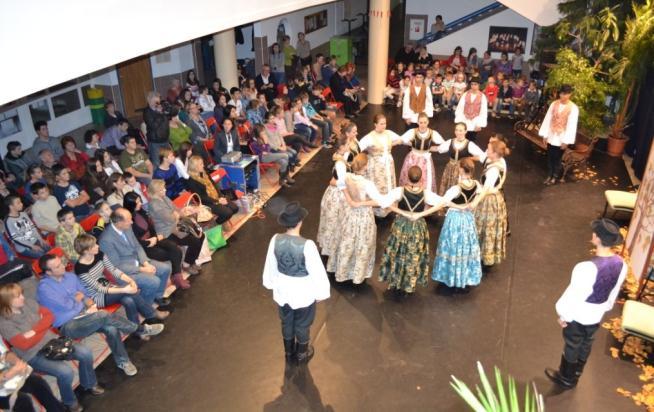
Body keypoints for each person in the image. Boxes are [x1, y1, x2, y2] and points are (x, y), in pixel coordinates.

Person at [545, 218, 627, 389]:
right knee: (587, 342)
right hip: (597, 314)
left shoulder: (586, 268)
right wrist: (605, 307)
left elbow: (573, 296)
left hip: (579, 315)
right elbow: (614, 291)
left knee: (573, 343)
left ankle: (566, 377)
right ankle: (576, 373)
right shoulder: (621, 264)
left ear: (597, 238)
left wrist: (563, 315)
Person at [36, 254, 140, 376]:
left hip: (86, 315)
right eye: (58, 266)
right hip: (68, 325)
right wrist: (77, 299)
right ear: (48, 272)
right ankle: (138, 328)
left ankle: (123, 362)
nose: (63, 266)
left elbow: (85, 295)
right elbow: (66, 305)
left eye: (61, 263)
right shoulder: (44, 288)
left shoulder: (70, 277)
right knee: (103, 315)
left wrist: (91, 305)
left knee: (110, 328)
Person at [0, 283, 98, 412]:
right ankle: (70, 402)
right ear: (8, 301)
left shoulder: (28, 303)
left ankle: (89, 384)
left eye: (22, 294)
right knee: (65, 372)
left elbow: (49, 316)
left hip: (53, 341)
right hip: (32, 354)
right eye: (18, 296)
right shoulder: (4, 322)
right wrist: (42, 326)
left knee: (85, 352)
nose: (23, 297)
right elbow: (23, 344)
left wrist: (34, 332)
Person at [262, 201, 330, 363]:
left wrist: (271, 283)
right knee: (302, 323)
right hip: (302, 292)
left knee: (286, 320)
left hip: (282, 289)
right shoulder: (307, 245)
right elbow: (317, 271)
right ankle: (301, 353)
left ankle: (288, 351)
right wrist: (321, 293)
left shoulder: (275, 239)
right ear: (300, 221)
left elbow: (271, 264)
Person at [74, 233, 170, 337]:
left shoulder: (99, 254)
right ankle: (150, 314)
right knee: (129, 294)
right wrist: (124, 289)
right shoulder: (80, 268)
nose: (98, 246)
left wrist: (130, 281)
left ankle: (138, 330)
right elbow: (100, 288)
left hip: (110, 288)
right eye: (94, 246)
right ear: (86, 251)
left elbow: (114, 270)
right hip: (98, 296)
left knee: (128, 300)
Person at [377, 167, 443, 294]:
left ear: (407, 177)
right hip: (417, 227)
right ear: (421, 179)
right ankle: (409, 282)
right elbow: (441, 203)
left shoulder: (399, 191)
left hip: (400, 226)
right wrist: (423, 213)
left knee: (398, 251)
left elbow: (383, 202)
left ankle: (396, 280)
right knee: (414, 254)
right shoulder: (426, 194)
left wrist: (400, 211)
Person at [326, 154, 385, 283]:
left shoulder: (347, 176)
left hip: (349, 213)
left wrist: (350, 201)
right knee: (362, 243)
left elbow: (340, 186)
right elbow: (379, 202)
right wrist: (361, 203)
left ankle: (342, 270)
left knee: (346, 241)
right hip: (363, 216)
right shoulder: (367, 183)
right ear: (365, 166)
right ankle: (357, 274)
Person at [98, 209, 173, 308]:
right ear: (119, 223)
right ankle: (146, 308)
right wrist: (142, 269)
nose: (132, 222)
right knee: (153, 281)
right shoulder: (106, 240)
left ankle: (157, 296)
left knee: (165, 269)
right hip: (123, 273)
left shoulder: (127, 227)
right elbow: (116, 266)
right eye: (129, 220)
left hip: (138, 262)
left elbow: (137, 246)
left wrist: (145, 263)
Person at [430, 158, 482, 293]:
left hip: (455, 219)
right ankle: (463, 276)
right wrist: (471, 204)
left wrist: (458, 206)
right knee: (465, 246)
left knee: (452, 245)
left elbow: (444, 202)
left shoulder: (456, 188)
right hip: (467, 219)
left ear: (461, 170)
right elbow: (480, 194)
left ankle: (450, 275)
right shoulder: (476, 184)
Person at [123, 191, 194, 289]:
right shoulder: (128, 220)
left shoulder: (141, 212)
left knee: (175, 249)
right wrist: (151, 241)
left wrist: (156, 238)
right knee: (168, 253)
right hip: (144, 246)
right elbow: (136, 241)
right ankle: (176, 277)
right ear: (131, 204)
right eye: (138, 202)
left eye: (140, 200)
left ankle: (177, 277)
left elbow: (151, 227)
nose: (140, 203)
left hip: (153, 239)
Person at [146, 180, 206, 274]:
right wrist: (176, 214)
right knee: (194, 240)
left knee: (201, 235)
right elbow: (170, 219)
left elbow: (176, 209)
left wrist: (177, 214)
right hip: (167, 232)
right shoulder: (154, 205)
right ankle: (186, 264)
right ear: (156, 192)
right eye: (162, 189)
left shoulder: (164, 198)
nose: (165, 190)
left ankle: (192, 260)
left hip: (176, 226)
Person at [0, 337, 65, 412]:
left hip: (5, 376)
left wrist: (17, 362)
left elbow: (5, 354)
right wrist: (7, 375)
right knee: (22, 400)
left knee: (37, 382)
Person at [473, 140, 509, 268]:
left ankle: (481, 253)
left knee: (485, 225)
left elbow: (486, 189)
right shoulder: (501, 161)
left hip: (488, 199)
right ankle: (486, 253)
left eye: (488, 150)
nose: (486, 151)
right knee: (490, 227)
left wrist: (475, 201)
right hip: (496, 196)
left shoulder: (493, 170)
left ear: (495, 153)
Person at [358, 114, 401, 217]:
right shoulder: (370, 137)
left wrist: (390, 145)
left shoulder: (388, 133)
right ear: (375, 124)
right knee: (379, 185)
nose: (384, 126)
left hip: (388, 164)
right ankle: (378, 210)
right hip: (376, 166)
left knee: (388, 184)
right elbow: (358, 147)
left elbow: (400, 139)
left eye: (385, 123)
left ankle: (389, 207)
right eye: (381, 124)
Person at [538, 84, 579, 185]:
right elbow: (548, 119)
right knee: (550, 156)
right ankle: (550, 174)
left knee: (557, 158)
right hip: (552, 134)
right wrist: (545, 134)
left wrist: (566, 141)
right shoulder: (554, 104)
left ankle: (554, 176)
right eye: (562, 93)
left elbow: (571, 126)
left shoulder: (573, 108)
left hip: (561, 137)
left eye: (566, 94)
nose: (563, 96)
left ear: (570, 94)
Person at [316, 138, 349, 257]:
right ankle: (333, 246)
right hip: (338, 193)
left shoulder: (338, 156)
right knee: (336, 220)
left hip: (333, 192)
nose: (349, 145)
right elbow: (339, 182)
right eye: (347, 144)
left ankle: (330, 244)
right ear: (341, 148)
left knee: (333, 220)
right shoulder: (340, 163)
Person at [398, 112, 444, 192]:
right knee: (410, 176)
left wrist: (433, 148)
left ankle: (423, 195)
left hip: (425, 159)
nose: (423, 125)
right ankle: (409, 194)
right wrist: (410, 144)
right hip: (413, 158)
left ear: (428, 122)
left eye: (425, 122)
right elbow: (401, 139)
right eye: (421, 122)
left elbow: (444, 144)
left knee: (425, 177)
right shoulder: (413, 131)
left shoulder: (432, 133)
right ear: (417, 122)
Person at [186, 157, 239, 223]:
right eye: (201, 164)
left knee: (235, 208)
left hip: (216, 197)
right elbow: (202, 198)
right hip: (207, 202)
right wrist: (218, 201)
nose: (203, 165)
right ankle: (216, 223)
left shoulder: (203, 172)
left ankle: (223, 218)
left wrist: (220, 196)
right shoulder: (191, 181)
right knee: (228, 213)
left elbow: (214, 184)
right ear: (195, 167)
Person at [436, 123, 485, 195]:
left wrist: (469, 158)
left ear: (465, 131)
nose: (458, 132)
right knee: (447, 188)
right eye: (456, 130)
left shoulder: (469, 144)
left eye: (461, 130)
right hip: (450, 168)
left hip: (462, 170)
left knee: (459, 189)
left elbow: (481, 156)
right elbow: (439, 149)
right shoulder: (450, 141)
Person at [455, 76, 488, 142]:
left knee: (472, 139)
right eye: (472, 84)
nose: (473, 86)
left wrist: (479, 124)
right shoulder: (465, 94)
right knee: (462, 138)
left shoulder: (482, 96)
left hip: (475, 120)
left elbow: (483, 111)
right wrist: (460, 120)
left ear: (479, 85)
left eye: (475, 84)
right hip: (465, 118)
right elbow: (460, 107)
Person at [143, 92, 170, 167]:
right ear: (149, 101)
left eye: (158, 101)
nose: (158, 104)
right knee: (156, 163)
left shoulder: (161, 108)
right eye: (156, 102)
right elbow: (153, 126)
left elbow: (168, 117)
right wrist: (159, 113)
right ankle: (157, 178)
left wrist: (166, 109)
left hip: (165, 140)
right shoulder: (147, 112)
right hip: (155, 143)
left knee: (169, 160)